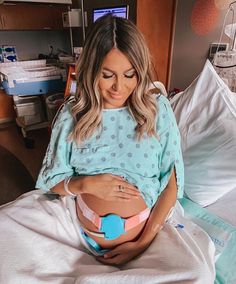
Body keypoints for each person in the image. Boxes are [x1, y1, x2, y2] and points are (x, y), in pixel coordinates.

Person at [0, 14, 215, 283]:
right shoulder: (73, 113)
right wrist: (85, 184)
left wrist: (143, 241)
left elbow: (170, 185)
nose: (119, 87)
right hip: (74, 228)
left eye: (129, 75)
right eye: (107, 75)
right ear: (91, 70)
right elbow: (51, 182)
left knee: (199, 273)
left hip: (146, 231)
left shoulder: (156, 110)